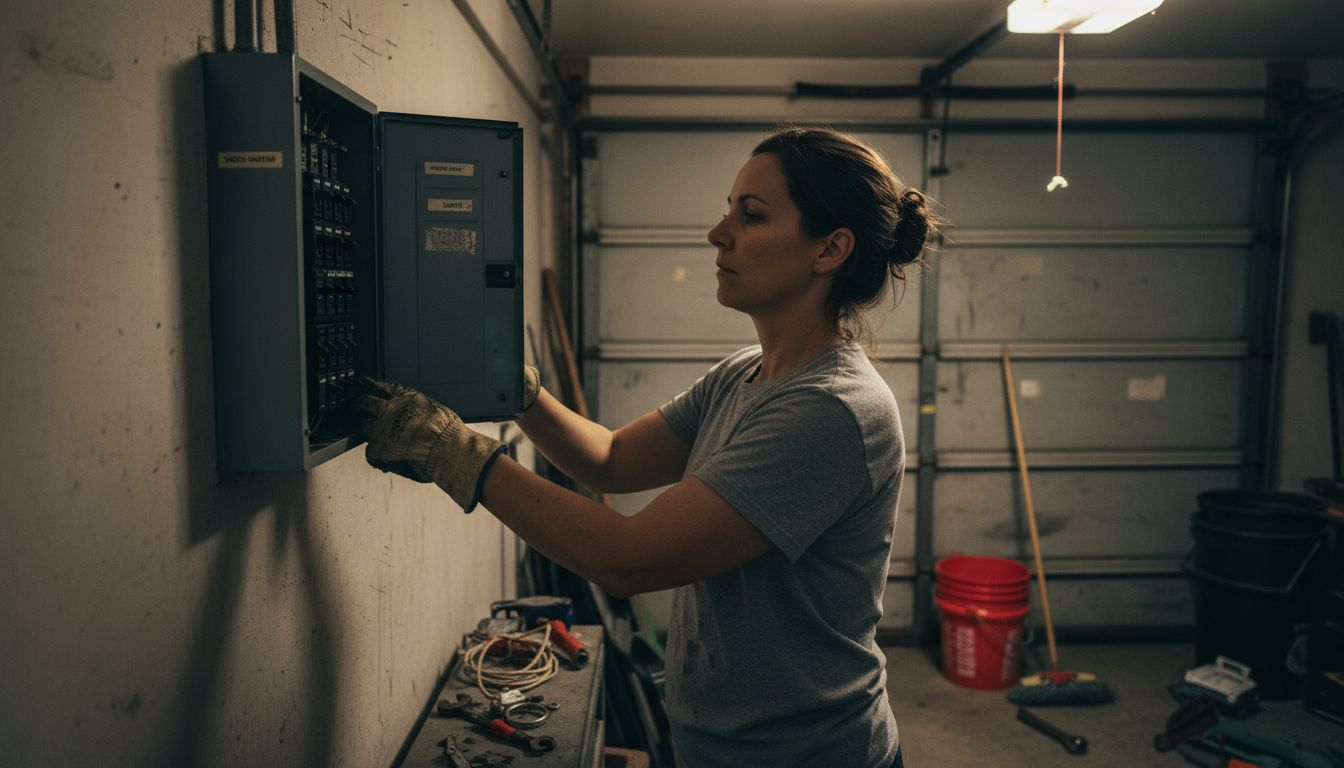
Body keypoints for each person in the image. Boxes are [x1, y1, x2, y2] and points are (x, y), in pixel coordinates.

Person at [357, 127, 939, 768]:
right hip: (718, 745)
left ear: (830, 249)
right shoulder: (746, 372)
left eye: (750, 216)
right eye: (729, 210)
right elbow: (609, 458)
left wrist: (453, 453)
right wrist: (518, 392)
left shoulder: (830, 409)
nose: (719, 234)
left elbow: (628, 560)